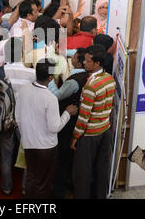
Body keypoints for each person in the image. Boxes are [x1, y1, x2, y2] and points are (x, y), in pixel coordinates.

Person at [16, 59, 77, 198]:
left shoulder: (24, 90)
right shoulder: (50, 98)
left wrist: (26, 134)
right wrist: (67, 113)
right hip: (46, 148)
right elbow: (54, 127)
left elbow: (18, 117)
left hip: (28, 143)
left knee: (31, 177)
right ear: (50, 78)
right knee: (43, 182)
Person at [71, 45, 116, 199]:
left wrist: (75, 136)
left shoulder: (91, 86)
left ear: (97, 64)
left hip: (89, 134)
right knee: (101, 171)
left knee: (82, 174)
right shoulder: (110, 79)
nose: (84, 62)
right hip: (105, 130)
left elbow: (84, 116)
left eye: (88, 61)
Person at [0, 37, 36, 195]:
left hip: (6, 119)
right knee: (27, 156)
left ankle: (6, 187)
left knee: (6, 155)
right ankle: (25, 188)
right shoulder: (32, 73)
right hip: (25, 120)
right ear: (22, 53)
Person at [52, 48, 89, 199]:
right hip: (76, 122)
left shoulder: (74, 81)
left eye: (73, 57)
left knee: (62, 158)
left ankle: (58, 191)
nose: (70, 58)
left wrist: (49, 81)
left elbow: (57, 96)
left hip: (68, 123)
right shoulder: (85, 75)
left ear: (78, 62)